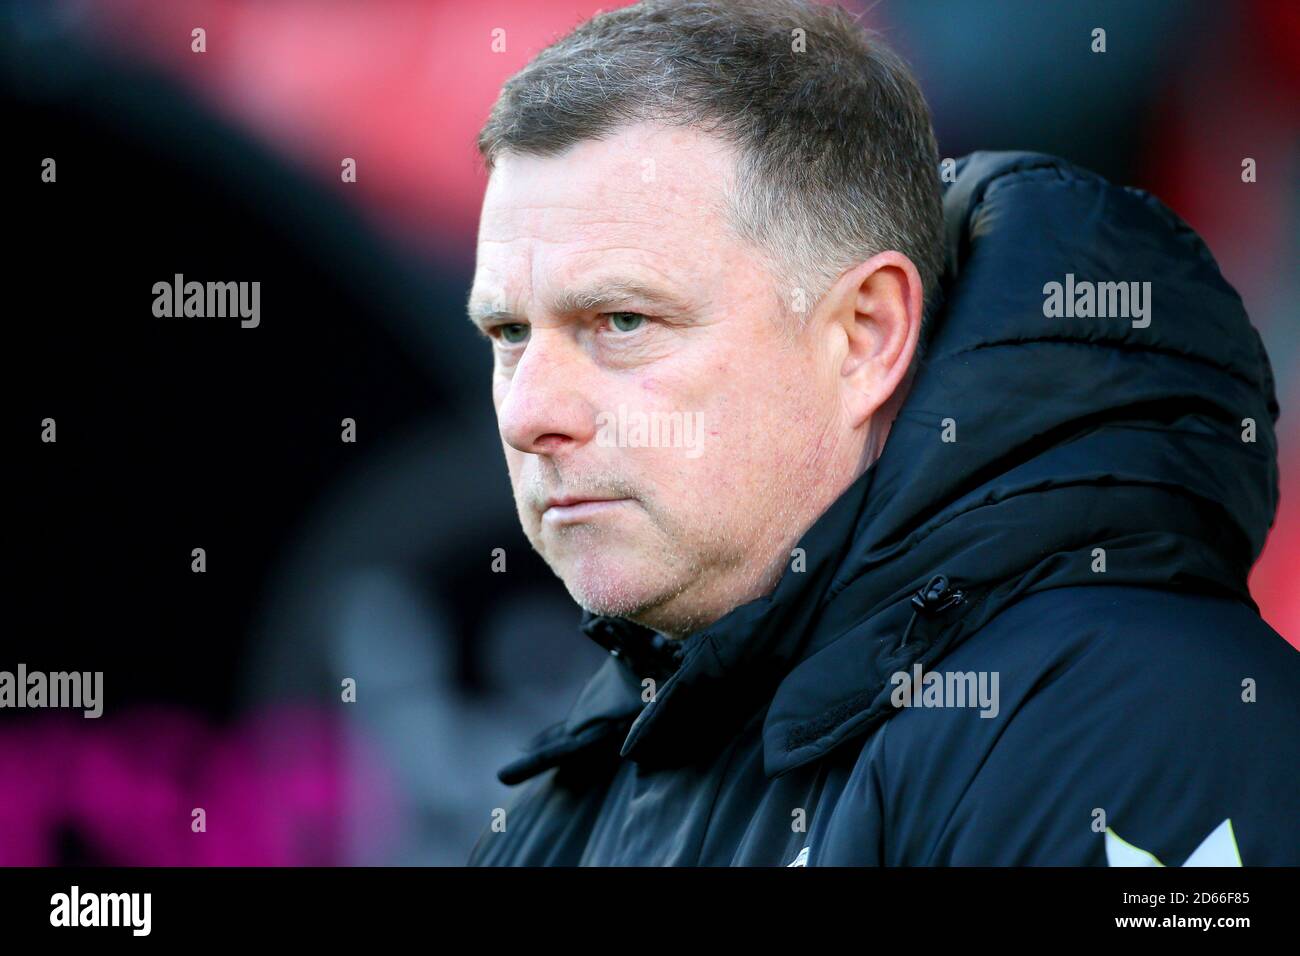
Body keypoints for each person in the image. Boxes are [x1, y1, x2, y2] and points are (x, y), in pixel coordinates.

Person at [464, 0, 1299, 865]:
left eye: (623, 321)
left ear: (865, 334)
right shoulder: (583, 786)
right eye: (509, 334)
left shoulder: (1135, 735)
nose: (531, 415)